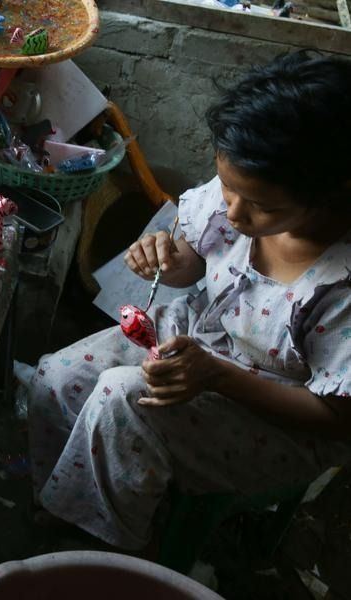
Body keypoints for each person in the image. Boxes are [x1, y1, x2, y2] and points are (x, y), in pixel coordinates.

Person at [24, 50, 351, 551]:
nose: (234, 212)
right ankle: (73, 503)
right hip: (199, 335)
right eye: (228, 187)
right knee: (57, 378)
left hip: (280, 413)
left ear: (332, 192)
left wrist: (220, 377)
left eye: (262, 205)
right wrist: (169, 258)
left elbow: (334, 417)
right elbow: (197, 264)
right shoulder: (236, 200)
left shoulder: (340, 285)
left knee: (121, 402)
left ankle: (111, 548)